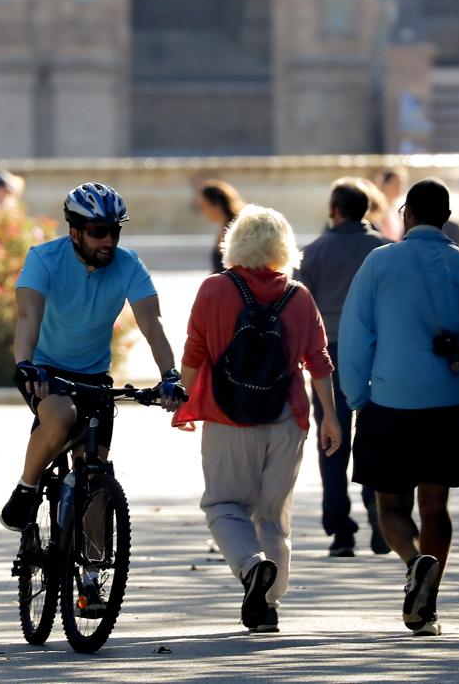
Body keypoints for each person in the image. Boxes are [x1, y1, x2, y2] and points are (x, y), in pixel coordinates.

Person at [339, 178, 459, 637]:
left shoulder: (379, 263)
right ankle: (427, 602)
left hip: (388, 401)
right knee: (436, 504)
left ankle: (415, 565)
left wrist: (356, 394)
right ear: (447, 218)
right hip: (447, 401)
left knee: (389, 503)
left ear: (406, 213)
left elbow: (356, 334)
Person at [173, 204, 341, 634]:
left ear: (235, 242)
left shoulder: (214, 289)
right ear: (283, 246)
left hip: (229, 418)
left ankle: (252, 569)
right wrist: (330, 419)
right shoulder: (298, 295)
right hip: (285, 417)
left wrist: (183, 402)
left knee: (224, 505)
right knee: (272, 515)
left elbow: (195, 353)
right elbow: (319, 362)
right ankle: (266, 605)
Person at [1, 183, 184, 536]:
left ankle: (92, 574)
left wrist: (169, 375)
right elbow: (27, 317)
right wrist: (24, 363)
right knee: (60, 419)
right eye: (98, 233)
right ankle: (26, 488)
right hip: (45, 370)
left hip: (95, 377)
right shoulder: (44, 259)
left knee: (96, 472)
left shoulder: (128, 264)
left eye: (114, 231)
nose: (109, 241)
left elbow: (153, 325)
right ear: (74, 233)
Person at [295, 177, 391, 558]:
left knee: (332, 439)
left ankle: (341, 530)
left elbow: (301, 312)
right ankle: (379, 508)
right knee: (375, 436)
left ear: (333, 210)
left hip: (329, 355)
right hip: (376, 354)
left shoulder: (313, 253)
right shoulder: (385, 250)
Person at [197, 180, 245, 273]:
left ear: (216, 205)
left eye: (204, 206)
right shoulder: (225, 227)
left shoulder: (237, 230)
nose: (202, 211)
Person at [375, 167, 407, 242]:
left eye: (401, 183)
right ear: (384, 184)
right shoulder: (377, 208)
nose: (400, 187)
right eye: (396, 183)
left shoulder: (396, 208)